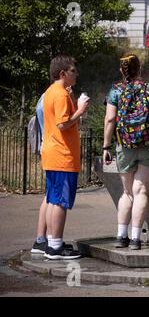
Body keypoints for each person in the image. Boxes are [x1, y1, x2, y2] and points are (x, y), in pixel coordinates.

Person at [103, 54, 149, 250]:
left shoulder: (116, 91)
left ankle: (121, 236)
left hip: (125, 146)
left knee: (127, 192)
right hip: (148, 145)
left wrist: (106, 147)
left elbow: (110, 120)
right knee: (141, 190)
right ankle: (136, 238)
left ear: (122, 70)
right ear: (140, 69)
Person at [40, 55, 89, 260]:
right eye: (73, 71)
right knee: (60, 201)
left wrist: (74, 104)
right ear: (63, 74)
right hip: (62, 156)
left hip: (53, 154)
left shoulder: (52, 92)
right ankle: (56, 246)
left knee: (53, 199)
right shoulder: (59, 94)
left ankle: (53, 243)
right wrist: (80, 110)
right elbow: (63, 124)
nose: (76, 74)